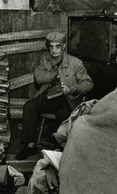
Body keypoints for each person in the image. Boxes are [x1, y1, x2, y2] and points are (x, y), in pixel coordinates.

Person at [15, 31, 94, 160]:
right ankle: (30, 146)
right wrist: (53, 75)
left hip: (68, 99)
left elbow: (88, 83)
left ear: (64, 46)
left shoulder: (75, 62)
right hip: (50, 97)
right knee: (29, 106)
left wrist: (72, 88)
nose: (54, 50)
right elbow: (38, 77)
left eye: (57, 47)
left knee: (62, 114)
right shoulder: (45, 60)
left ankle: (61, 148)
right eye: (51, 47)